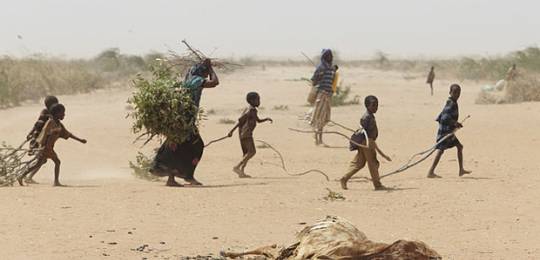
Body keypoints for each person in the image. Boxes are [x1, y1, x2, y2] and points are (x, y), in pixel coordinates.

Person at [150, 59, 219, 187]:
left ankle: (172, 178)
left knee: (176, 147)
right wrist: (210, 69)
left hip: (181, 118)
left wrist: (207, 67)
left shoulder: (188, 79)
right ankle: (188, 176)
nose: (205, 76)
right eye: (204, 73)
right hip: (185, 120)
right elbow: (215, 82)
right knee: (197, 146)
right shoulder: (196, 81)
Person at [18, 104, 87, 186]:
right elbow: (43, 133)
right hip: (46, 148)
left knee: (38, 163)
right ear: (57, 113)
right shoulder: (50, 122)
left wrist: (80, 140)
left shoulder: (59, 124)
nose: (64, 115)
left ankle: (21, 176)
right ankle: (56, 182)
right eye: (62, 113)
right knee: (57, 162)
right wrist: (39, 145)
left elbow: (68, 134)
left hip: (49, 148)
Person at [340, 96, 391, 191]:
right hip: (367, 142)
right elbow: (362, 132)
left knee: (359, 163)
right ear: (367, 106)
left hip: (366, 142)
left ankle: (345, 178)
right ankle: (377, 185)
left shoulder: (369, 116)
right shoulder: (366, 117)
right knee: (373, 163)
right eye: (373, 105)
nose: (376, 108)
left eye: (377, 105)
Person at [427, 84, 471, 178]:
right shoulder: (451, 103)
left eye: (458, 92)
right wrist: (455, 123)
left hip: (448, 130)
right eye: (455, 92)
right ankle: (430, 172)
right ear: (450, 92)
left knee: (459, 146)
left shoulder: (452, 102)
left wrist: (455, 124)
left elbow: (443, 116)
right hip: (445, 131)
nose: (457, 94)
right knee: (440, 150)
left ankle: (461, 170)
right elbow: (444, 118)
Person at [227, 92, 273, 178]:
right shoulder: (251, 110)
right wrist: (231, 131)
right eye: (257, 100)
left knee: (246, 153)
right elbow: (240, 121)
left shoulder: (250, 109)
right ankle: (237, 167)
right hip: (247, 134)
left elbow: (257, 120)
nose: (259, 102)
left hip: (243, 133)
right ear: (252, 100)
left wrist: (266, 119)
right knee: (252, 152)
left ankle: (242, 172)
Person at [310, 49, 337, 146]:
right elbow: (314, 81)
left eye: (331, 55)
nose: (331, 57)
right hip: (322, 94)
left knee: (325, 118)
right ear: (325, 57)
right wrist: (320, 76)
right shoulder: (321, 68)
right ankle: (318, 140)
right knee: (319, 117)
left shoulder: (331, 68)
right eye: (329, 55)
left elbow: (332, 81)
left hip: (328, 95)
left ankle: (318, 138)